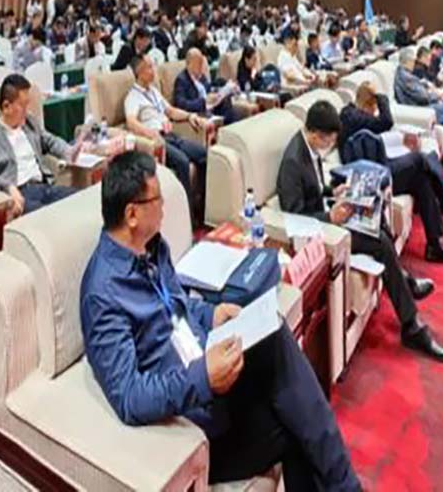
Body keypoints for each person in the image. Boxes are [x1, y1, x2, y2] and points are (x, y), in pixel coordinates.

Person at [81, 150, 360, 490]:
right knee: (295, 425)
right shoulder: (103, 294)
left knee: (275, 337)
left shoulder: (151, 248)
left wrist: (210, 313)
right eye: (158, 200)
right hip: (191, 413)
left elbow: (176, 306)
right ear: (132, 214)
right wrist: (202, 377)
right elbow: (129, 396)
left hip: (210, 376)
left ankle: (345, 485)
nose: (164, 207)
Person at [276, 100, 443, 363]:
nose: (330, 146)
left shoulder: (308, 146)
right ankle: (411, 326)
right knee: (380, 241)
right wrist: (330, 216)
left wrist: (333, 191)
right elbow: (294, 215)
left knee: (376, 217)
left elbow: (314, 188)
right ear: (314, 133)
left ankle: (404, 282)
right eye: (328, 141)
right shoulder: (293, 160)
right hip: (319, 230)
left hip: (329, 214)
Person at [340, 83, 443, 264]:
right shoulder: (351, 116)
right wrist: (381, 98)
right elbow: (386, 122)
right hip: (371, 176)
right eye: (374, 107)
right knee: (419, 158)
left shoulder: (357, 115)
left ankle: (434, 244)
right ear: (368, 103)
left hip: (379, 164)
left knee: (422, 180)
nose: (375, 112)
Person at [0, 74, 80, 217]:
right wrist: (7, 187)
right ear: (6, 106)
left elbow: (49, 140)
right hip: (20, 193)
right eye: (23, 105)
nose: (27, 110)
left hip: (44, 187)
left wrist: (69, 151)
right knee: (52, 218)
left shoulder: (28, 123)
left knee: (80, 201)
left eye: (28, 104)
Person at [123, 54, 209, 219]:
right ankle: (187, 216)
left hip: (172, 135)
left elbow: (170, 111)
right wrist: (150, 133)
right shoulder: (132, 97)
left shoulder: (154, 91)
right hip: (158, 141)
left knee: (204, 155)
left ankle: (202, 209)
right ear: (139, 72)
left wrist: (190, 116)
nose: (153, 70)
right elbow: (131, 122)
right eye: (149, 67)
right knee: (182, 162)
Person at [173, 48, 239, 124]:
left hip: (212, 109)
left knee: (227, 102)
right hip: (199, 114)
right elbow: (180, 104)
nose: (201, 67)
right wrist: (203, 102)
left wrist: (218, 92)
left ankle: (230, 127)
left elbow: (208, 88)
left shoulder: (201, 76)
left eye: (201, 63)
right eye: (198, 63)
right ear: (189, 64)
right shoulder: (181, 80)